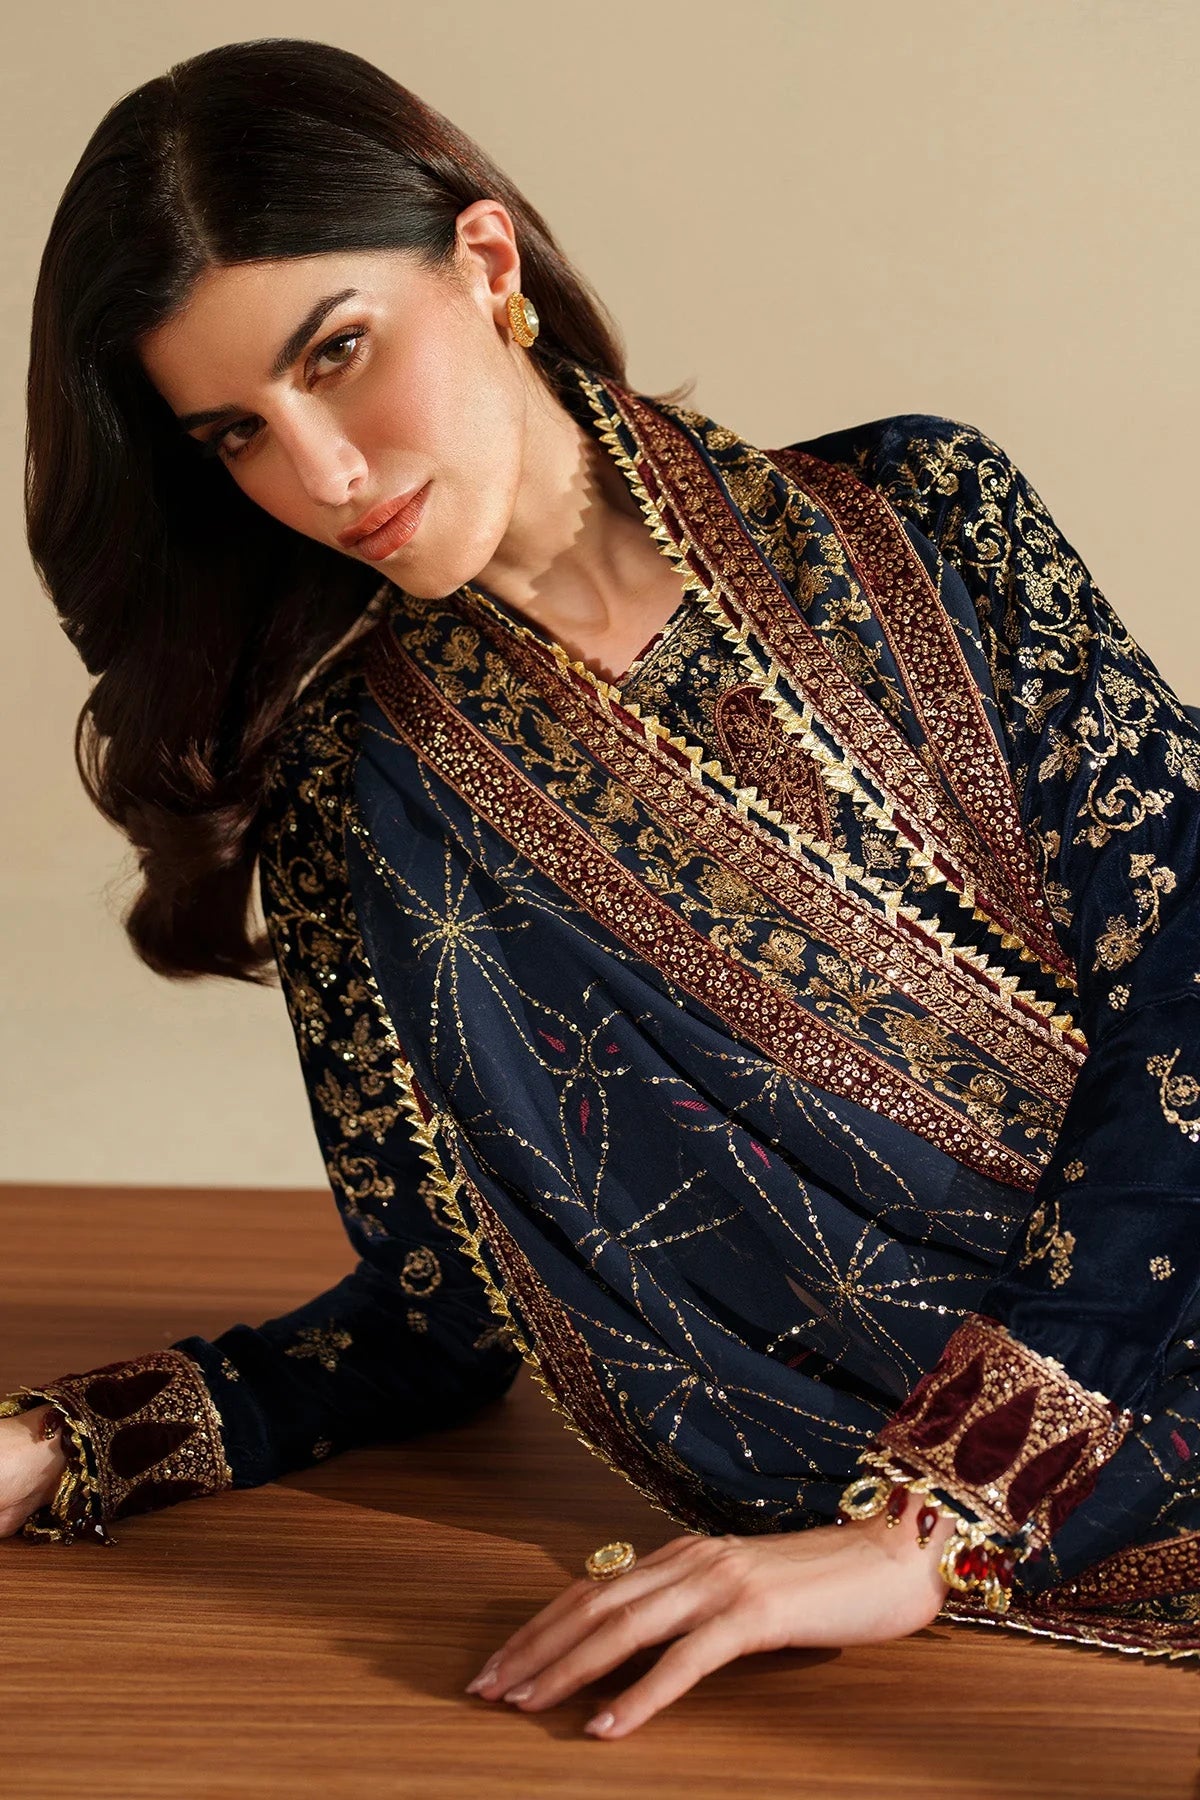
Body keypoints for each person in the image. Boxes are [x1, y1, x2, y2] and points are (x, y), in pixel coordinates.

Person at [4, 35, 1200, 1737]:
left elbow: (1188, 1007)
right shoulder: (363, 811)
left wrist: (937, 1521)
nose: (323, 473)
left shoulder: (919, 516)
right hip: (948, 1569)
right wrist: (70, 1438)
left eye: (340, 355)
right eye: (236, 435)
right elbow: (439, 1318)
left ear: (483, 265)